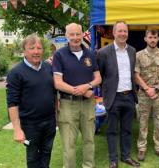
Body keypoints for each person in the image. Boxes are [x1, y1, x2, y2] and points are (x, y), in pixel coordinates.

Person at [53, 23, 101, 168]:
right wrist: (79, 90)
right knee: (69, 143)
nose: (75, 37)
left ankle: (88, 166)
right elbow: (58, 83)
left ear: (82, 35)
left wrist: (87, 86)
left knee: (89, 140)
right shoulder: (59, 55)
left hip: (88, 104)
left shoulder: (90, 54)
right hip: (68, 104)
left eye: (78, 34)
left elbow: (98, 78)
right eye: (72, 34)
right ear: (66, 36)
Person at [6, 34, 56, 168]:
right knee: (33, 157)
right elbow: (12, 103)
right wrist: (17, 129)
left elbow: (54, 93)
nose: (36, 51)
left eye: (39, 48)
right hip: (30, 125)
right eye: (31, 48)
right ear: (24, 50)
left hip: (50, 122)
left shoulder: (48, 68)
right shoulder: (15, 73)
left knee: (46, 153)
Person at [97, 21, 140, 168]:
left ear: (128, 33)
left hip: (129, 96)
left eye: (125, 31)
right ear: (114, 33)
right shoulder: (103, 53)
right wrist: (106, 94)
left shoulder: (132, 51)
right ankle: (113, 160)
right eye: (120, 31)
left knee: (127, 129)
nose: (123, 34)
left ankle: (126, 156)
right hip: (113, 97)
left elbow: (134, 73)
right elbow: (101, 75)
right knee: (112, 130)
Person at [135, 29, 159, 161]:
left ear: (158, 39)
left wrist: (155, 88)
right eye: (150, 37)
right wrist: (147, 89)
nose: (152, 40)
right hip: (144, 95)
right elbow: (136, 75)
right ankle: (141, 148)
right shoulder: (138, 55)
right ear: (145, 39)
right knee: (142, 122)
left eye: (155, 37)